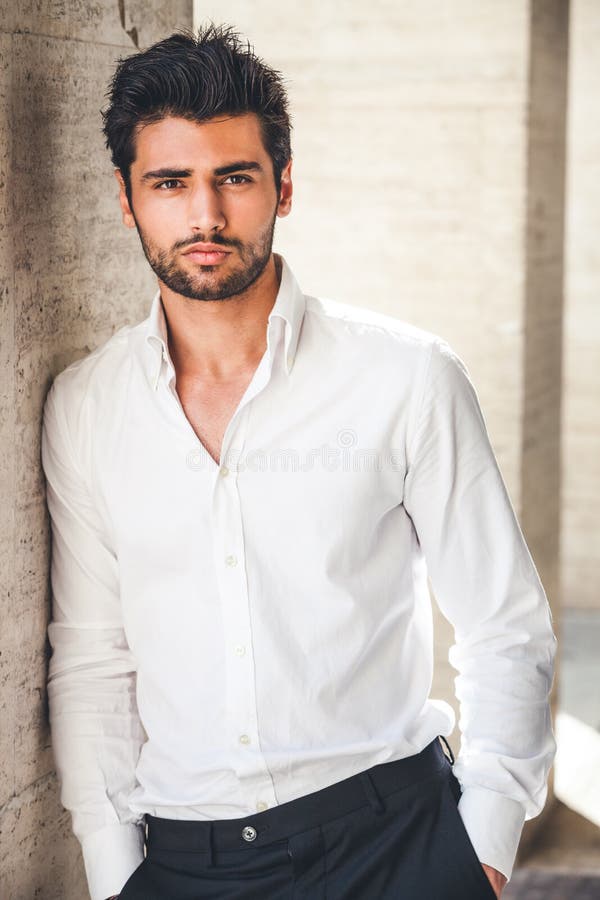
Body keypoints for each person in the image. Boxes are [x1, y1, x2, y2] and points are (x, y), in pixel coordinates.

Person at [41, 23, 557, 900]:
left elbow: (505, 625)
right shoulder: (87, 407)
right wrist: (113, 875)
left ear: (283, 185)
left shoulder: (406, 377)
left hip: (399, 844)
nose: (204, 215)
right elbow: (94, 660)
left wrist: (484, 857)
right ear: (128, 201)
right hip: (180, 862)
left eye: (233, 178)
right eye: (170, 183)